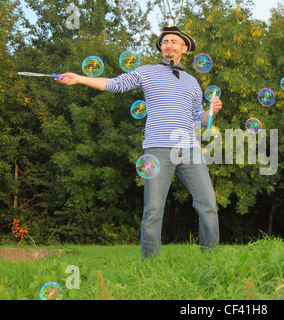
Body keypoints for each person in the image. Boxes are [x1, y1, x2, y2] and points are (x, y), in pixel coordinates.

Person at [56, 26, 221, 259]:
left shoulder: (193, 82)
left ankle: (211, 259)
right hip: (158, 147)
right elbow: (114, 84)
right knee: (153, 210)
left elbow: (198, 119)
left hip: (190, 148)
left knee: (209, 205)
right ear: (161, 48)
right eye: (164, 42)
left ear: (184, 48)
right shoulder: (147, 72)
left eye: (174, 41)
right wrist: (80, 78)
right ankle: (150, 263)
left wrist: (210, 111)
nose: (168, 45)